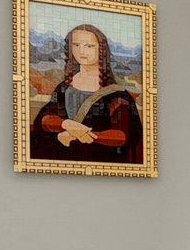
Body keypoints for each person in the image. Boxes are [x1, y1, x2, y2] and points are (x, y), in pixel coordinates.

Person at [29, 22, 143, 165]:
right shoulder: (65, 87)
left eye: (89, 46)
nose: (81, 51)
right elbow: (45, 119)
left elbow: (124, 135)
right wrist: (67, 124)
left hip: (101, 160)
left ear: (101, 49)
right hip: (64, 159)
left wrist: (86, 135)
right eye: (76, 45)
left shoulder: (117, 94)